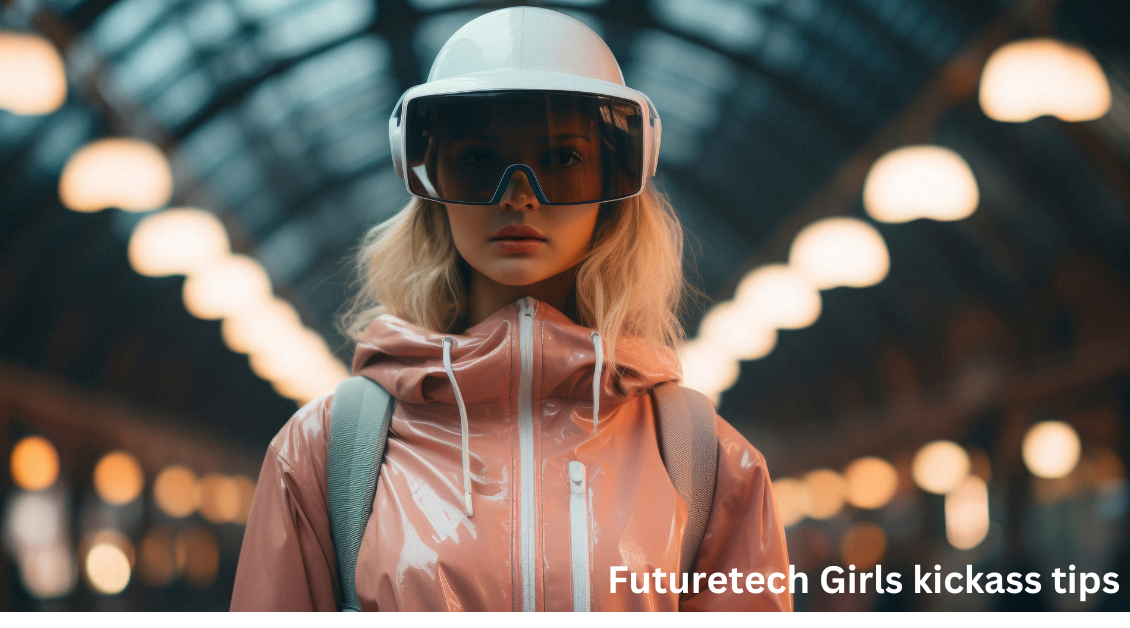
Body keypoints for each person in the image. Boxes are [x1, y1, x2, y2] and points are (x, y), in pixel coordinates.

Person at [230, 6, 791, 612]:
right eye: (478, 161)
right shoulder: (326, 451)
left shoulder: (704, 459)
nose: (519, 194)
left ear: (617, 180)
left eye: (563, 159)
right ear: (428, 177)